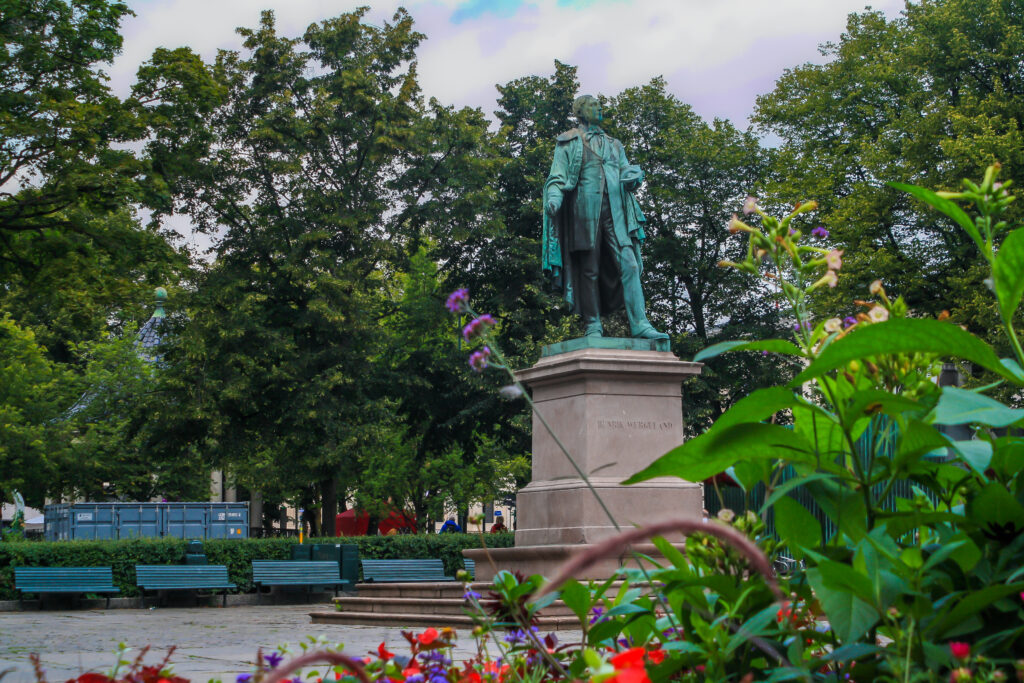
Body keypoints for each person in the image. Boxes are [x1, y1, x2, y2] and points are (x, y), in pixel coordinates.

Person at [541, 94, 668, 340]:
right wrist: (554, 198)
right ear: (580, 111)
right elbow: (557, 175)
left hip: (617, 215)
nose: (599, 107)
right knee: (589, 270)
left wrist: (635, 176)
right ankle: (593, 325)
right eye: (592, 104)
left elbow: (625, 170)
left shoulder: (614, 144)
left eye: (599, 104)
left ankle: (640, 324)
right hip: (583, 214)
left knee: (630, 266)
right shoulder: (568, 142)